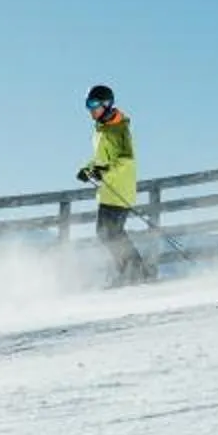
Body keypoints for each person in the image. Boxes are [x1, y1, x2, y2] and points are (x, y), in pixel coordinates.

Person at [74, 85, 151, 285]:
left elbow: (126, 160)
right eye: (87, 104)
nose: (90, 109)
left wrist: (105, 171)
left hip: (120, 189)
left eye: (93, 104)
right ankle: (131, 272)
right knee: (105, 233)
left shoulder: (120, 129)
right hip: (108, 190)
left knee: (111, 232)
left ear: (106, 104)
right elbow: (101, 159)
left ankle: (137, 272)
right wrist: (88, 169)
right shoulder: (101, 129)